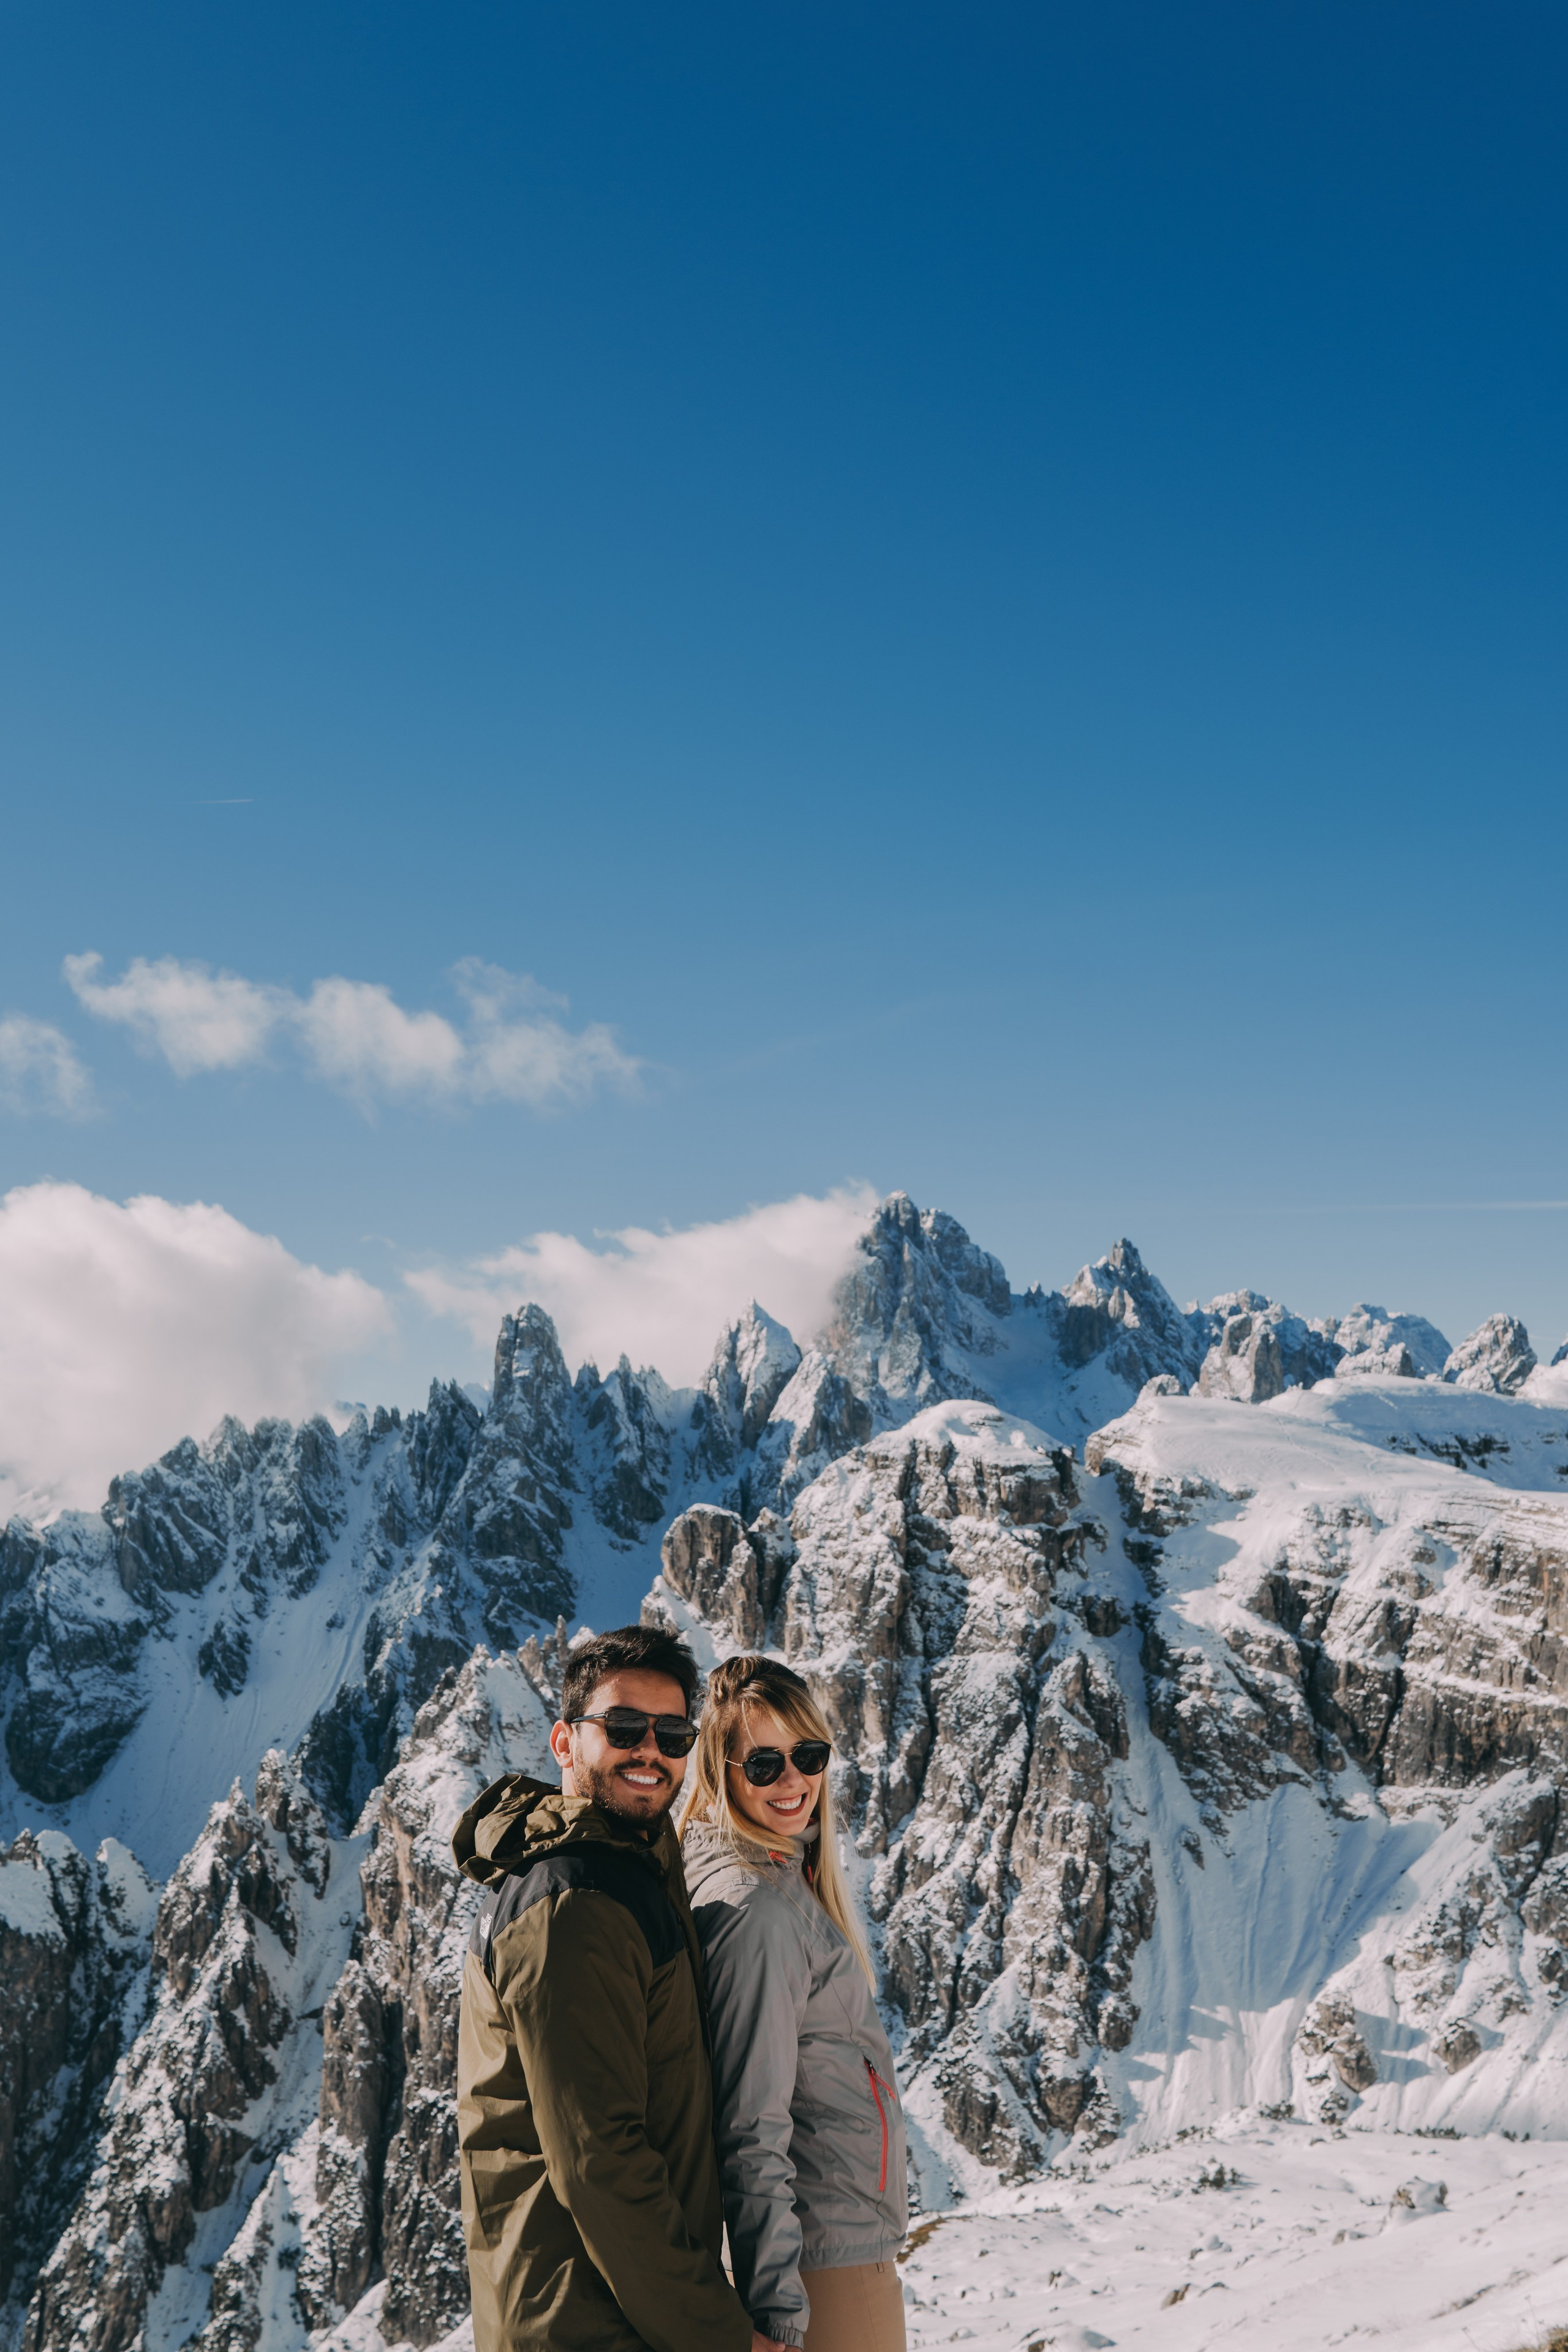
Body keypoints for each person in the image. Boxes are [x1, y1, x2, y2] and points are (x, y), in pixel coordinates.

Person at [453, 1623, 767, 2352]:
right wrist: (720, 2336)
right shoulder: (576, 1902)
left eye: (672, 1734)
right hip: (593, 2326)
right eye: (623, 1728)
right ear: (564, 1743)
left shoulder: (621, 1872)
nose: (650, 1751)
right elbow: (598, 2161)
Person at [682, 1654, 909, 2352]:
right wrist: (777, 2313)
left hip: (831, 2251)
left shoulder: (778, 1877)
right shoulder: (756, 1910)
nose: (793, 1781)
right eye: (763, 1764)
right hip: (824, 2269)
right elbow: (750, 2126)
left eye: (808, 1755)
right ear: (720, 1772)